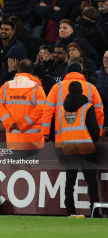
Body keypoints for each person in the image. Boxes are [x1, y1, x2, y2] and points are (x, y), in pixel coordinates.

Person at [58, 81, 99, 217]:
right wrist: (94, 142)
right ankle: (94, 211)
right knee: (91, 181)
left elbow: (58, 131)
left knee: (70, 181)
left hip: (69, 147)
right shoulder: (87, 107)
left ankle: (70, 210)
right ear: (82, 91)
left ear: (68, 92)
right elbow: (94, 129)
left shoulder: (61, 109)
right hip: (85, 146)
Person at [41, 62, 104, 147]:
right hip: (84, 137)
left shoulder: (57, 87)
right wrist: (98, 132)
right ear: (81, 72)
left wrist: (45, 132)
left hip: (62, 137)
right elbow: (99, 111)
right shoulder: (90, 87)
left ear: (67, 72)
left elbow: (47, 111)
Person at [0, 59, 47, 152]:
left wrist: (10, 122)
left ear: (18, 70)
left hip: (13, 139)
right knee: (31, 166)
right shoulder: (37, 88)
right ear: (32, 71)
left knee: (15, 166)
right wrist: (24, 123)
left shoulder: (6, 87)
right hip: (33, 141)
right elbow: (42, 108)